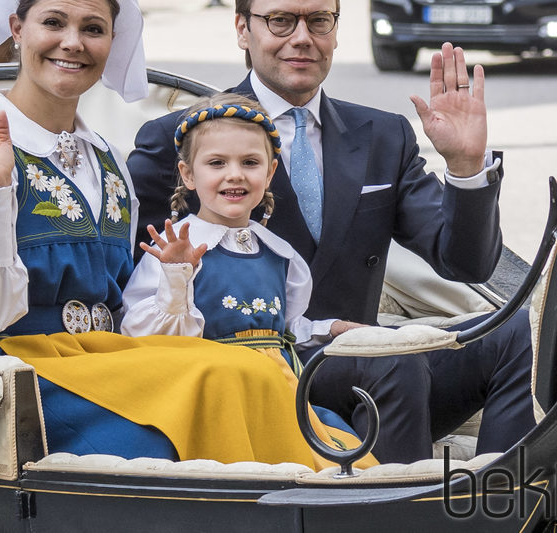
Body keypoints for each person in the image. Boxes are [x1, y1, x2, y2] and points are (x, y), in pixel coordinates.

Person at [0, 0, 356, 468]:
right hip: (26, 370)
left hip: (116, 358)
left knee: (256, 373)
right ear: (16, 28)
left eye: (93, 29)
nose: (72, 43)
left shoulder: (106, 158)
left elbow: (131, 296)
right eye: (53, 23)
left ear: (111, 43)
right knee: (215, 388)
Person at [127, 0, 535, 463]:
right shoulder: (178, 140)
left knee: (507, 331)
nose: (302, 38)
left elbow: (466, 262)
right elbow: (132, 283)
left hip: (364, 365)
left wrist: (465, 167)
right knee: (393, 359)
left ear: (336, 31)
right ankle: (397, 514)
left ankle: (505, 504)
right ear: (241, 30)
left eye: (318, 20)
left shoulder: (384, 135)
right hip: (252, 372)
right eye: (280, 20)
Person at [122, 96, 376, 468]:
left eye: (250, 163)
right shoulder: (176, 246)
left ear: (270, 173)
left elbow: (285, 329)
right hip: (217, 396)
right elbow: (143, 335)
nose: (235, 174)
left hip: (279, 394)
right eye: (216, 163)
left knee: (318, 468)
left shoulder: (278, 251)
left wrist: (330, 328)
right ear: (188, 174)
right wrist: (176, 276)